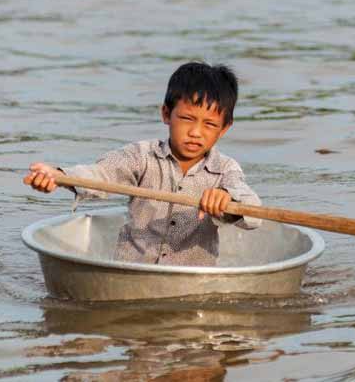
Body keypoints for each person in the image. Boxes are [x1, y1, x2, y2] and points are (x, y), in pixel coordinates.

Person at [23, 62, 261, 266]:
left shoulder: (225, 169)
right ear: (166, 114)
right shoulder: (141, 156)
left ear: (224, 129)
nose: (196, 133)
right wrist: (60, 176)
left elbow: (253, 213)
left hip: (191, 281)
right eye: (187, 119)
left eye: (209, 124)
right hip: (132, 273)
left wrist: (227, 199)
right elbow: (101, 175)